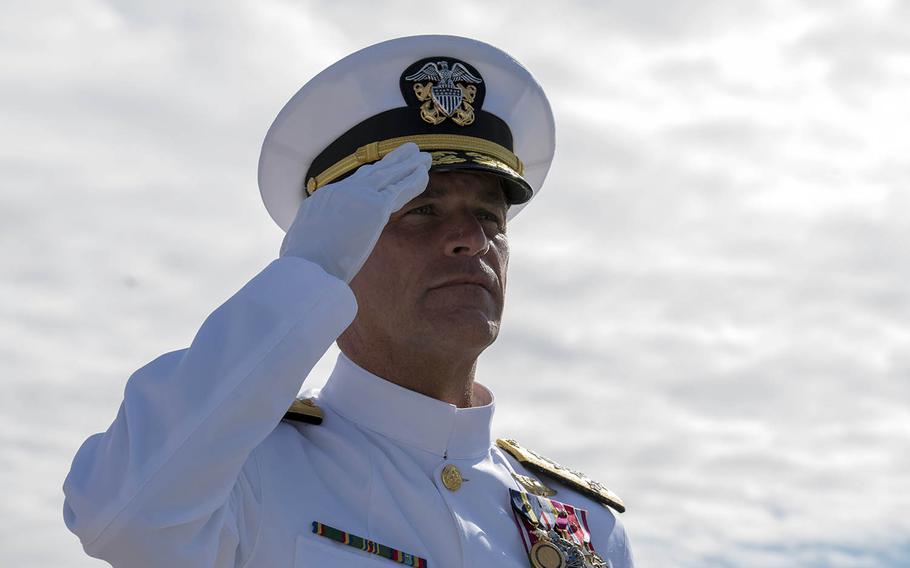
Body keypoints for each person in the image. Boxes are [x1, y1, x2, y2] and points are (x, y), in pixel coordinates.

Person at [63, 35, 634, 568]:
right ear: (345, 249)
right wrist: (308, 272)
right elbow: (122, 516)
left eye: (489, 216)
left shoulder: (585, 526)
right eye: (422, 210)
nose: (472, 239)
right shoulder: (245, 468)